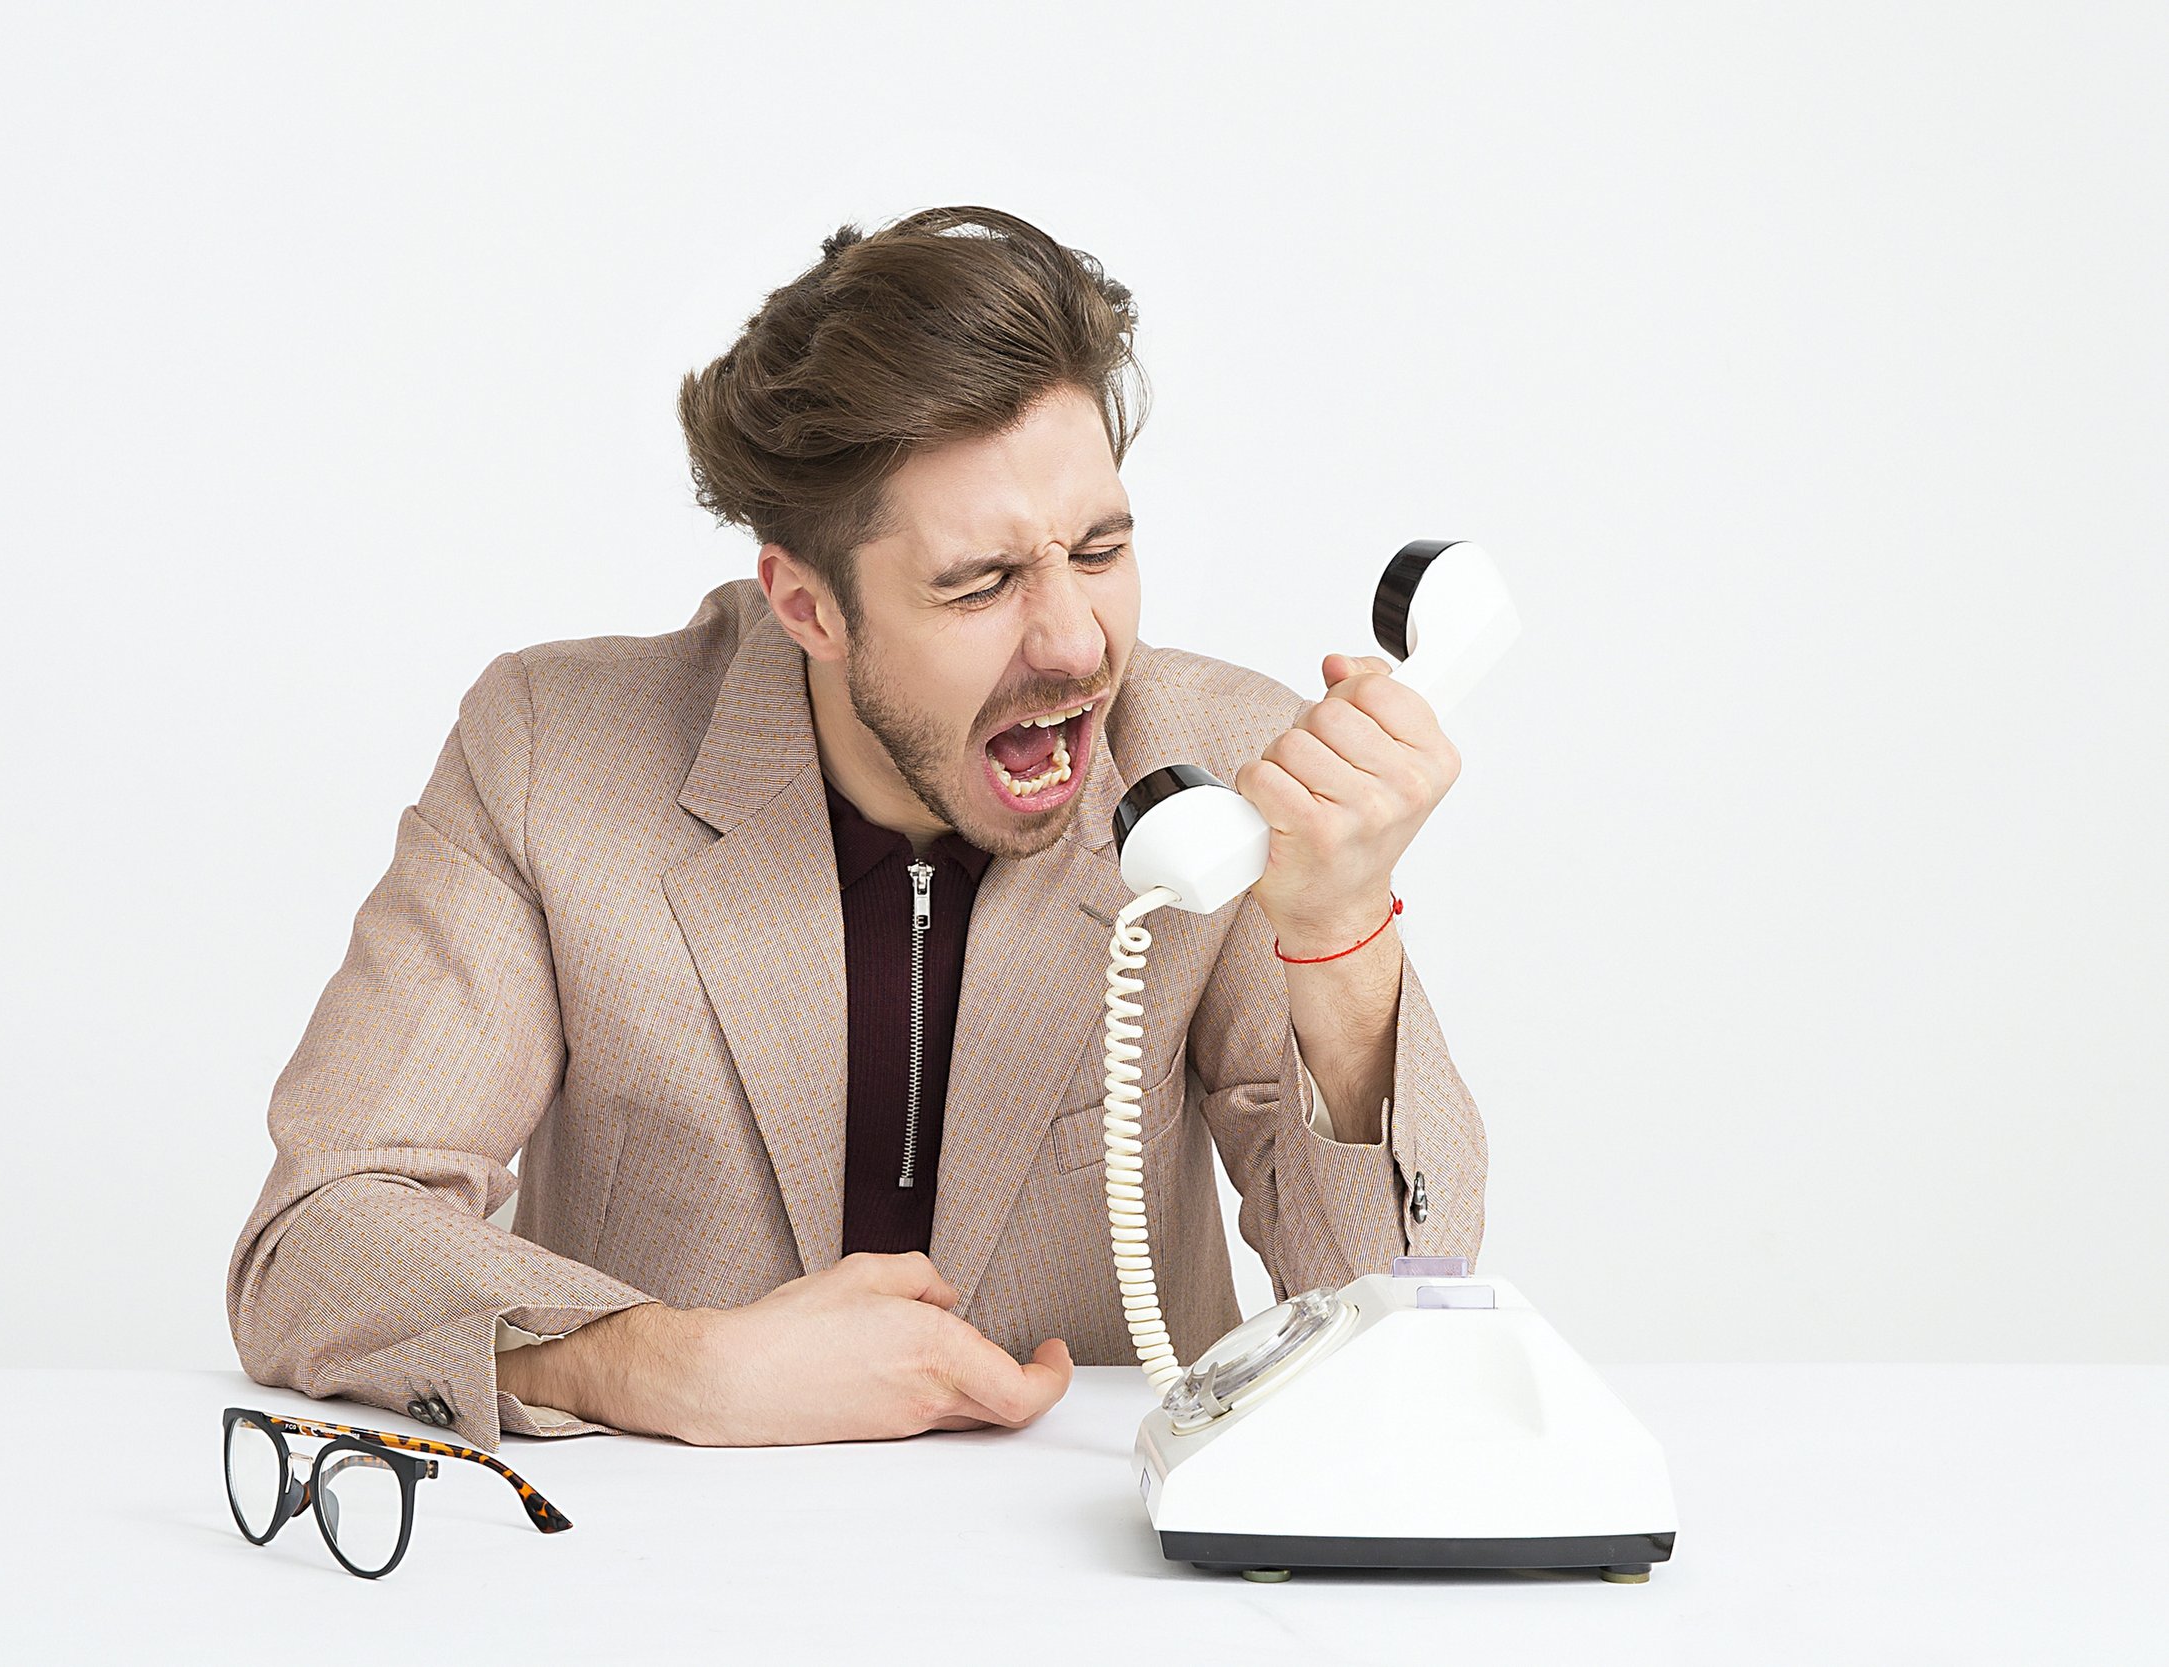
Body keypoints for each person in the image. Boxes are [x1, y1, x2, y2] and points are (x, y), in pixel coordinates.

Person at [225, 205, 1487, 1452]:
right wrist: (663, 1365)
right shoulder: (552, 750)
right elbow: (321, 1234)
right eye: (980, 583)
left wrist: (1338, 937)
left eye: (1098, 550)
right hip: (656, 1568)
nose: (1075, 643)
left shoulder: (1213, 763)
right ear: (807, 605)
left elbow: (1400, 1307)